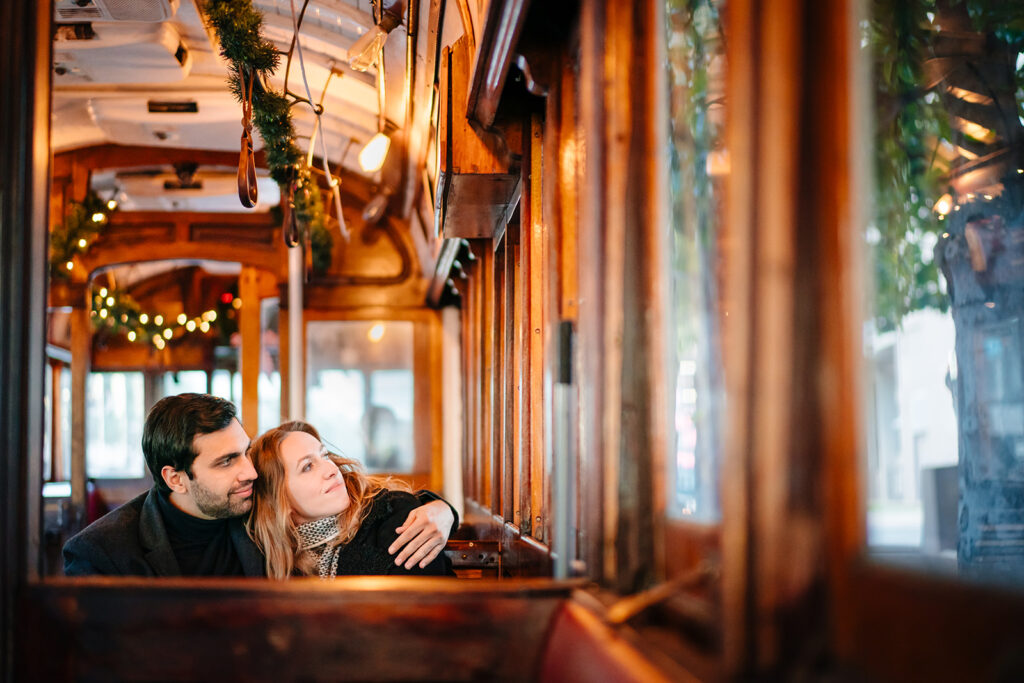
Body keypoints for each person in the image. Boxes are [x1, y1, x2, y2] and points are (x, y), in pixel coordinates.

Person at [62, 393, 456, 577]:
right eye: (226, 461)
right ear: (176, 478)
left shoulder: (253, 510)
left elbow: (369, 501)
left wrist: (442, 510)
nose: (250, 471)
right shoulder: (103, 553)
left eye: (244, 451)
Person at [247, 421, 454, 578]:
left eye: (325, 456)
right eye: (308, 466)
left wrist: (445, 510)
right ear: (279, 499)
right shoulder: (267, 557)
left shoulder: (394, 516)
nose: (331, 469)